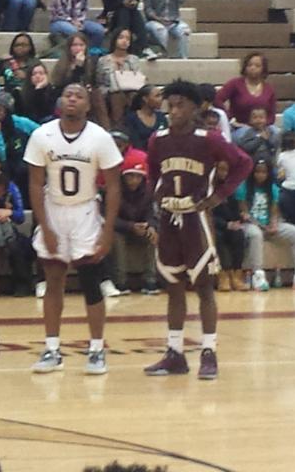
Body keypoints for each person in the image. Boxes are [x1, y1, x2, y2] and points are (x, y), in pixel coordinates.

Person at [144, 80, 252, 381]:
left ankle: (209, 351)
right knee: (173, 286)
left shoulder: (210, 139)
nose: (173, 111)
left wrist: (219, 196)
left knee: (204, 286)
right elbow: (153, 172)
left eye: (180, 105)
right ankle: (175, 352)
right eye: (170, 105)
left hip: (196, 218)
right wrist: (156, 194)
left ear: (195, 108)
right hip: (169, 217)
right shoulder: (158, 139)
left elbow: (243, 163)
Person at [24, 83, 121, 373]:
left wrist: (107, 232)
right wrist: (45, 226)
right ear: (59, 101)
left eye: (79, 96)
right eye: (68, 95)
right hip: (54, 209)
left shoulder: (100, 138)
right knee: (53, 279)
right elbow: (34, 183)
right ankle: (52, 350)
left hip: (85, 211)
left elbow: (114, 187)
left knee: (91, 281)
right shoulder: (42, 135)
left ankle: (96, 349)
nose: (73, 100)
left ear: (88, 105)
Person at [237, 158, 295, 291]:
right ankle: (258, 274)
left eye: (263, 172)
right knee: (256, 234)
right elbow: (245, 214)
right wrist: (261, 226)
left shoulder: (273, 188)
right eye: (257, 172)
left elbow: (274, 212)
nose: (260, 175)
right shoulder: (243, 187)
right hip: (251, 225)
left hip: (267, 224)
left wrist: (273, 224)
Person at [112, 154, 158, 294]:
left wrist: (150, 225)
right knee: (116, 238)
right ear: (123, 177)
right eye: (130, 176)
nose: (134, 181)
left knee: (153, 235)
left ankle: (150, 280)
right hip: (121, 229)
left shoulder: (149, 192)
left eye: (138, 177)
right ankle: (121, 281)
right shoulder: (114, 191)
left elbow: (152, 214)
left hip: (140, 228)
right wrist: (130, 226)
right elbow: (109, 218)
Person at [0, 170, 33, 296]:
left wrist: (10, 213)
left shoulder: (13, 189)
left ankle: (22, 285)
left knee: (16, 245)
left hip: (8, 226)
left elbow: (21, 217)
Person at [211, 160, 248, 292]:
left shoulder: (230, 188)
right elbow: (208, 214)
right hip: (214, 225)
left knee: (239, 235)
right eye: (221, 169)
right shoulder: (208, 188)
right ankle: (224, 275)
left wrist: (240, 218)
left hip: (230, 225)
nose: (223, 173)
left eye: (226, 170)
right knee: (218, 237)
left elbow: (234, 210)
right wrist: (226, 224)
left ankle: (237, 274)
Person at [96, 28, 144, 128]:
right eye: (121, 37)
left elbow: (137, 77)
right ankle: (117, 127)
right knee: (116, 95)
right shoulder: (104, 60)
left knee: (133, 95)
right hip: (109, 90)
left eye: (128, 39)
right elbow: (100, 81)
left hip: (130, 90)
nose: (124, 41)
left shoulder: (133, 59)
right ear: (115, 40)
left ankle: (131, 126)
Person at [215, 52, 277, 127]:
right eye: (249, 65)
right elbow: (217, 99)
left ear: (263, 69)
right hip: (239, 127)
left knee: (276, 133)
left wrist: (263, 126)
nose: (252, 68)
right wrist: (229, 117)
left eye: (257, 66)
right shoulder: (235, 84)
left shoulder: (269, 89)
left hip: (263, 127)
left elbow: (271, 116)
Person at [0, 32, 40, 99]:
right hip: (8, 98)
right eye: (17, 45)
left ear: (30, 47)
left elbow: (42, 83)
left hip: (29, 98)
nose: (20, 47)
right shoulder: (6, 62)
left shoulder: (35, 63)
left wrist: (26, 77)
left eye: (24, 45)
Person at [123, 85, 168, 151]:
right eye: (157, 96)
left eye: (161, 95)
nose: (161, 99)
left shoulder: (161, 117)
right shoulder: (132, 118)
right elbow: (134, 143)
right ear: (145, 99)